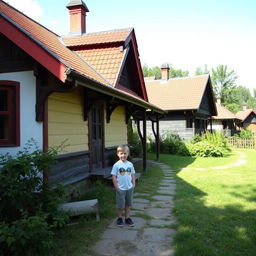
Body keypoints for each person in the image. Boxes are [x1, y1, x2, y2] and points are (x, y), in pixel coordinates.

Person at [111, 144, 136, 227]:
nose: (123, 155)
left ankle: (127, 218)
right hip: (120, 188)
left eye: (125, 153)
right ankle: (119, 218)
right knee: (120, 205)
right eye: (121, 153)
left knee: (128, 204)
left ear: (128, 154)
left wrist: (133, 184)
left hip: (129, 188)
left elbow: (133, 174)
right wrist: (116, 187)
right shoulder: (116, 165)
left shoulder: (130, 164)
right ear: (118, 154)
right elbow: (114, 176)